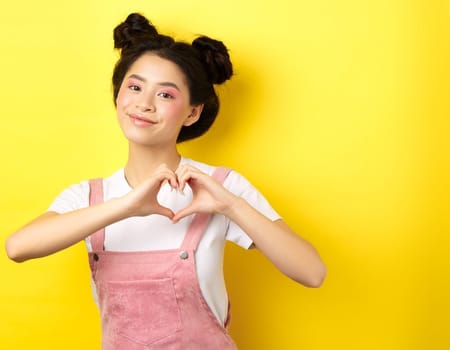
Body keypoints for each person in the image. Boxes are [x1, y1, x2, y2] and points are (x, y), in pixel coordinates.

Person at [4, 13, 326, 349]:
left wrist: (230, 205)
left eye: (166, 95)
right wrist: (126, 206)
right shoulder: (89, 197)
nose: (144, 104)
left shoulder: (218, 186)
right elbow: (18, 248)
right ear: (118, 96)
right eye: (135, 87)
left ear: (192, 112)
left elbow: (311, 272)